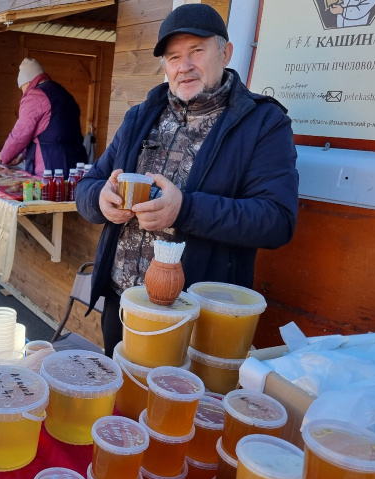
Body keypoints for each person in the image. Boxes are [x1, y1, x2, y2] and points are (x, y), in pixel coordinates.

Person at [75, 4, 299, 357]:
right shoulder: (140, 116)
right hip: (124, 303)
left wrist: (185, 210)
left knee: (179, 408)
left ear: (225, 52)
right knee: (120, 405)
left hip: (196, 315)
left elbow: (276, 220)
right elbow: (88, 185)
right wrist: (99, 201)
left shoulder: (263, 123)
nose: (185, 66)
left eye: (197, 50)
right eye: (174, 56)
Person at [0, 58, 87, 177]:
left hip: (50, 164)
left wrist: (5, 155)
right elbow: (47, 130)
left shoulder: (35, 95)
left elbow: (21, 132)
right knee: (70, 194)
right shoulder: (62, 92)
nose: (23, 92)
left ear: (26, 82)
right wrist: (21, 155)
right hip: (76, 162)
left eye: (22, 88)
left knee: (48, 194)